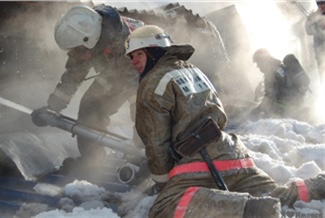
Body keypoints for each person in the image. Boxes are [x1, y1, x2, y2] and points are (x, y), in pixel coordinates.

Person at [124, 25, 325, 217]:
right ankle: (316, 186)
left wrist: (163, 182)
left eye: (138, 53)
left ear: (155, 51)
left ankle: (248, 210)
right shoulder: (193, 70)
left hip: (198, 162)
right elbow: (219, 112)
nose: (133, 61)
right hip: (234, 154)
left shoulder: (152, 82)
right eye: (131, 56)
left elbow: (155, 140)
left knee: (164, 207)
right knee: (276, 194)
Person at [31, 5, 145, 168]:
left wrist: (142, 131)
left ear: (90, 42)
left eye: (77, 50)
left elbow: (136, 90)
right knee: (90, 107)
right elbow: (72, 77)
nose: (74, 54)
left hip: (146, 71)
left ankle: (147, 160)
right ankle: (91, 162)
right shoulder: (88, 34)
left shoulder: (128, 43)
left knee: (144, 112)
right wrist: (52, 108)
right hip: (114, 71)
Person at [249, 48, 310, 121]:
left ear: (263, 61)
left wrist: (255, 111)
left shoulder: (271, 73)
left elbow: (269, 98)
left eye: (258, 63)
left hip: (285, 110)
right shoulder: (280, 67)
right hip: (296, 106)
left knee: (264, 115)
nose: (258, 66)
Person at [305, 0, 325, 84]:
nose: (321, 6)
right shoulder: (313, 16)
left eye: (323, 3)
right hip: (320, 49)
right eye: (319, 4)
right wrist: (317, 28)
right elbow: (309, 31)